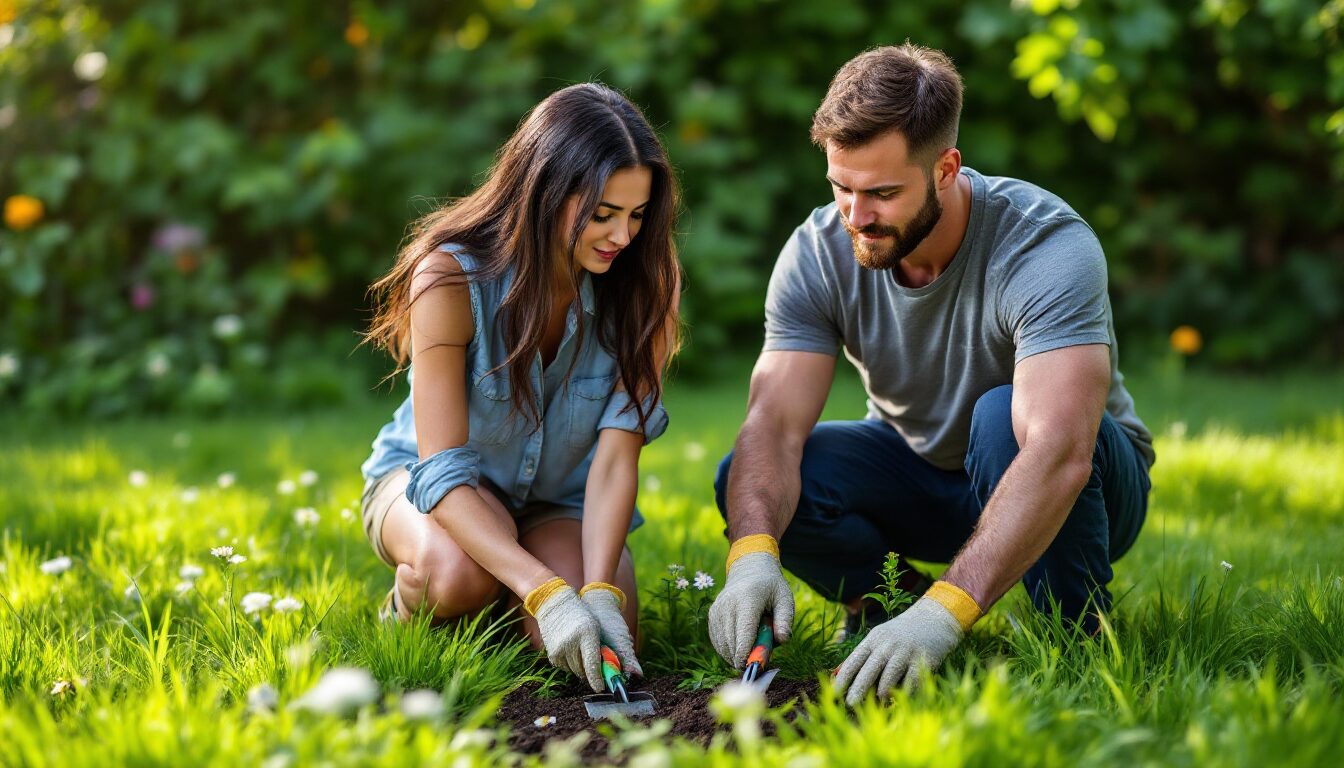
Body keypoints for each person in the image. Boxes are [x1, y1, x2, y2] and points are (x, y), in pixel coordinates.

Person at [707, 44, 1154, 704]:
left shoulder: (1044, 244)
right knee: (752, 478)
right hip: (921, 470)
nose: (856, 217)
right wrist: (750, 555)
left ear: (946, 169)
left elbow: (1061, 450)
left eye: (883, 193)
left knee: (1001, 416)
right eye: (841, 187)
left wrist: (949, 610)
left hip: (1076, 486)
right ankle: (894, 611)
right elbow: (772, 423)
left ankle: (1075, 642)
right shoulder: (818, 250)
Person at [359, 83, 681, 693]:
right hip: (436, 485)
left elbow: (614, 463)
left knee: (608, 634)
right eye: (602, 214)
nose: (623, 238)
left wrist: (600, 595)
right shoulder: (450, 276)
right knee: (455, 577)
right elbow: (442, 469)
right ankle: (409, 613)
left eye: (637, 215)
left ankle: (508, 602)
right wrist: (546, 591)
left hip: (557, 500)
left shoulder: (646, 289)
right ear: (544, 192)